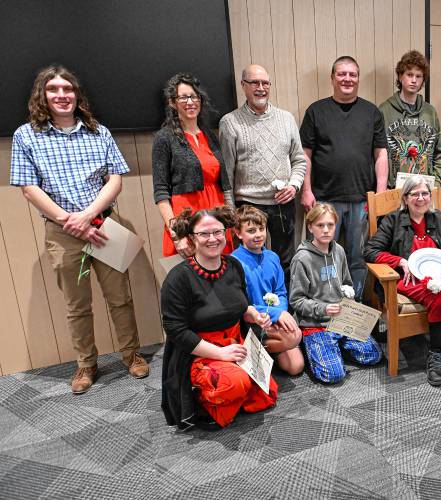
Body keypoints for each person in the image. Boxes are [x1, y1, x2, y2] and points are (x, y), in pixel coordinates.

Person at [10, 65, 149, 394]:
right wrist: (70, 220)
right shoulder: (26, 135)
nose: (62, 95)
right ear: (42, 95)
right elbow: (30, 188)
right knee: (76, 305)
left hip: (103, 223)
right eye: (54, 90)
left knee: (121, 298)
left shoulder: (97, 131)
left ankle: (132, 355)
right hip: (62, 232)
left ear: (77, 94)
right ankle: (86, 365)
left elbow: (114, 178)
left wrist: (87, 215)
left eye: (67, 89)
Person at [160, 206, 277, 430]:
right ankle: (198, 400)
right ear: (192, 238)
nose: (212, 239)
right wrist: (220, 353)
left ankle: (229, 397)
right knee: (237, 383)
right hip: (200, 352)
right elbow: (176, 331)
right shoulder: (178, 279)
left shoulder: (233, 266)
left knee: (267, 393)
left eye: (218, 232)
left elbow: (241, 305)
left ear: (226, 233)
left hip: (235, 342)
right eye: (204, 234)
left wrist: (253, 314)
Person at [363, 176, 441, 387]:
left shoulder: (440, 218)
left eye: (425, 193)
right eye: (414, 194)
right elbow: (370, 250)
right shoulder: (392, 221)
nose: (421, 198)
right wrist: (400, 261)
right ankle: (436, 357)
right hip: (410, 279)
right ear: (405, 198)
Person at [299, 56, 388, 300]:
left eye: (352, 74)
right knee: (320, 255)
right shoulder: (316, 111)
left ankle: (353, 306)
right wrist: (306, 191)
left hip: (362, 199)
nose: (347, 79)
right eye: (342, 74)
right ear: (332, 78)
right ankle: (321, 307)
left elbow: (381, 154)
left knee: (357, 258)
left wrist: (379, 193)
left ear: (358, 79)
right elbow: (304, 155)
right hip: (325, 200)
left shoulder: (372, 112)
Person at [219, 64, 306, 280]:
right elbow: (226, 173)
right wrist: (230, 211)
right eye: (254, 83)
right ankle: (254, 312)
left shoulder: (286, 119)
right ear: (243, 86)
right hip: (248, 205)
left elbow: (299, 159)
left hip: (282, 203)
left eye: (265, 83)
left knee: (285, 261)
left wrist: (294, 186)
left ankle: (284, 311)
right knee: (248, 263)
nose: (261, 88)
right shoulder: (230, 123)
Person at [289, 204, 382, 384]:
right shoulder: (302, 259)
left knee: (374, 355)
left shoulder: (338, 250)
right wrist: (323, 308)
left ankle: (333, 347)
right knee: (332, 375)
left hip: (341, 319)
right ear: (310, 227)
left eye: (330, 225)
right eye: (320, 225)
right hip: (315, 322)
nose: (326, 230)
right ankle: (316, 347)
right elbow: (296, 300)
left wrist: (349, 292)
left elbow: (346, 281)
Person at [152, 73, 233, 258]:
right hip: (187, 218)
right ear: (173, 102)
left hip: (216, 214)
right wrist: (176, 235)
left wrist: (229, 219)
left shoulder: (210, 135)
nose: (190, 102)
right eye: (183, 97)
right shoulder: (164, 138)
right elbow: (161, 192)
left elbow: (223, 183)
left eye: (194, 96)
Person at [232, 205, 305, 375]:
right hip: (250, 322)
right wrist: (273, 314)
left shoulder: (272, 257)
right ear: (238, 233)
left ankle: (264, 353)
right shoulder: (234, 262)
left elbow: (281, 292)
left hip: (271, 317)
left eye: (261, 229)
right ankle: (250, 350)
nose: (258, 235)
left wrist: (280, 312)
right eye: (251, 230)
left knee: (296, 367)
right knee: (293, 337)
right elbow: (240, 305)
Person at [378, 50, 441, 187]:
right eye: (409, 75)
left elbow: (440, 153)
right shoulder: (384, 110)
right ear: (400, 76)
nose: (414, 80)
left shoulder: (430, 112)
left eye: (419, 76)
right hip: (395, 190)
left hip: (425, 190)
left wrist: (436, 182)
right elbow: (378, 153)